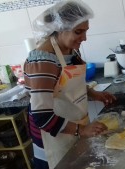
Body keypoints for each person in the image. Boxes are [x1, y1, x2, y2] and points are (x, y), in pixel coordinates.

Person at [23, 1, 116, 168]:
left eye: (86, 31)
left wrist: (93, 94)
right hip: (53, 139)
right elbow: (41, 116)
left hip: (72, 128)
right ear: (60, 29)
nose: (84, 38)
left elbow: (65, 85)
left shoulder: (69, 50)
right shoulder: (43, 60)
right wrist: (81, 130)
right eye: (78, 32)